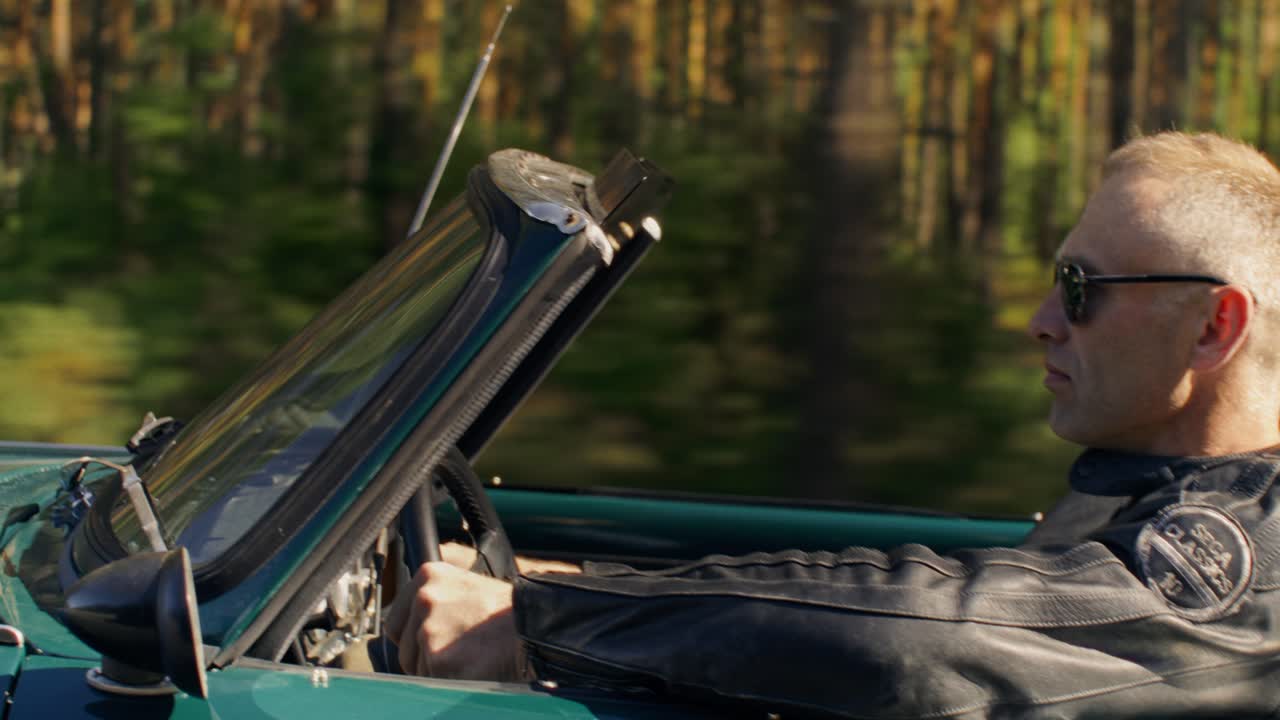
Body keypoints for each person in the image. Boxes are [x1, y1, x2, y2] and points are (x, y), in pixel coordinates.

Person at [385, 131, 1280, 718]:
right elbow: (908, 592)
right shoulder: (1145, 493)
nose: (1042, 320)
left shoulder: (1240, 570)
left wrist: (539, 619)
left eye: (1081, 288)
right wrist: (582, 586)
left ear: (1214, 327)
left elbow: (929, 634)